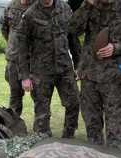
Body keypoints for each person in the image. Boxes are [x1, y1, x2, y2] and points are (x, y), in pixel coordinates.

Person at [68, 0, 121, 150]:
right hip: (89, 76)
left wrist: (117, 47)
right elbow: (72, 30)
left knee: (115, 130)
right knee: (92, 129)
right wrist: (86, 5)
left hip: (114, 78)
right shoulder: (90, 5)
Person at [16, 0, 80, 138]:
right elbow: (22, 48)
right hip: (41, 71)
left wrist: (78, 65)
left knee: (74, 102)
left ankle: (69, 136)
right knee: (42, 110)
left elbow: (73, 39)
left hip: (64, 68)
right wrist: (25, 76)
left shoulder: (65, 8)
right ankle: (43, 140)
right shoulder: (30, 15)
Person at [0, 0, 33, 117]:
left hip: (34, 58)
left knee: (40, 94)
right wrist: (13, 43)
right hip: (14, 57)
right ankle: (14, 120)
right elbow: (4, 27)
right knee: (15, 91)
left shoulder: (37, 6)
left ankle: (41, 126)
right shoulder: (11, 6)